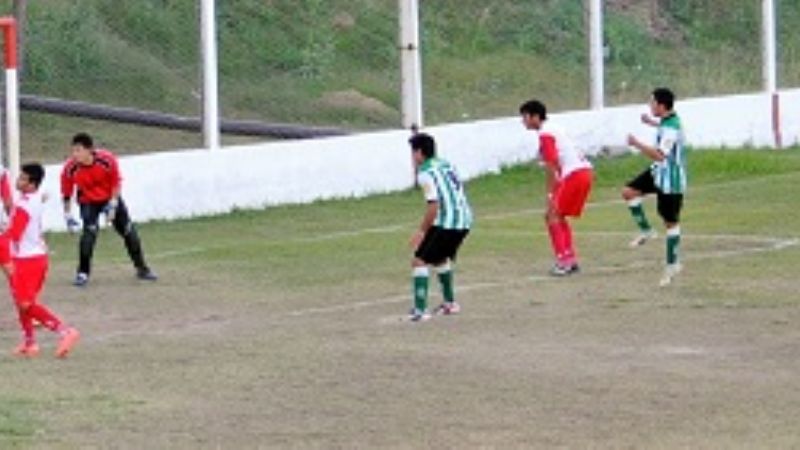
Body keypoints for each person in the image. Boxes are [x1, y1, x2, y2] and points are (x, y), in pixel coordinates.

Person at [0, 163, 80, 358]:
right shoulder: (30, 199)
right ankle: (30, 343)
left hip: (27, 260)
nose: (18, 181)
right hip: (35, 257)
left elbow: (13, 234)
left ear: (32, 184)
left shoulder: (24, 205)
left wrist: (5, 255)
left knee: (26, 304)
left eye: (22, 179)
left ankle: (65, 331)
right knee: (22, 302)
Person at [61, 133, 157, 286]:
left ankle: (142, 269)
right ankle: (82, 273)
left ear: (89, 150)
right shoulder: (70, 168)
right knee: (89, 234)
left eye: (78, 150)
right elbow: (66, 192)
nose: (75, 155)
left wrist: (112, 204)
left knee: (128, 231)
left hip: (109, 197)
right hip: (88, 201)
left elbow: (116, 183)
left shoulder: (107, 160)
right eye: (73, 151)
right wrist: (67, 215)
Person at [520, 100, 593, 276]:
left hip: (574, 174)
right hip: (584, 172)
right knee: (557, 215)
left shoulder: (546, 133)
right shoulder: (555, 128)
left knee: (552, 215)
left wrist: (550, 192)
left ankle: (564, 261)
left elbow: (551, 164)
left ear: (535, 117)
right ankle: (569, 259)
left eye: (525, 117)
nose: (523, 121)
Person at [624, 87, 687, 287]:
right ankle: (646, 231)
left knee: (670, 223)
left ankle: (672, 263)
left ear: (661, 105)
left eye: (652, 103)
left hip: (671, 179)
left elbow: (660, 154)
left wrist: (637, 144)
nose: (650, 106)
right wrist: (651, 122)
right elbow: (664, 128)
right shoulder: (669, 120)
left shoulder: (671, 127)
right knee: (628, 192)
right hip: (657, 172)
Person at [408, 133, 472, 322]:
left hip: (447, 222)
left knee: (419, 261)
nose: (412, 157)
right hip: (464, 219)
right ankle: (450, 303)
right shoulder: (446, 164)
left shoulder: (425, 173)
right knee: (439, 259)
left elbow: (433, 205)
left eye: (413, 152)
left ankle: (420, 310)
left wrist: (422, 231)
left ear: (419, 152)